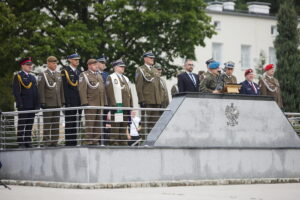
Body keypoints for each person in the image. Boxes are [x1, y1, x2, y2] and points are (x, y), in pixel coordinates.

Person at [12, 57, 39, 148]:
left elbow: (35, 92)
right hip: (23, 105)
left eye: (30, 65)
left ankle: (28, 141)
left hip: (32, 105)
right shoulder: (18, 76)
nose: (30, 66)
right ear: (22, 65)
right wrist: (20, 104)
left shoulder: (32, 77)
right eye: (28, 65)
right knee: (22, 124)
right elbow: (16, 92)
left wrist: (37, 105)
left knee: (29, 124)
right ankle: (20, 142)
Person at [38, 56, 65, 147]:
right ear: (48, 63)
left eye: (56, 63)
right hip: (48, 103)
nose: (55, 65)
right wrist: (42, 101)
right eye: (53, 63)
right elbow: (41, 89)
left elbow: (61, 89)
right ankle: (46, 141)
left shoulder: (58, 74)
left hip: (57, 103)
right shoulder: (43, 74)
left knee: (56, 123)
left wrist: (62, 101)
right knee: (47, 123)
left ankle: (54, 141)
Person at [79, 59, 106, 145]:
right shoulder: (84, 75)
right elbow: (82, 90)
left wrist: (104, 102)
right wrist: (84, 102)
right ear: (89, 65)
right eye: (94, 65)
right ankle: (88, 140)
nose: (96, 66)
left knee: (98, 123)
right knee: (90, 123)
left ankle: (95, 140)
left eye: (96, 65)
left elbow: (102, 89)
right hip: (90, 103)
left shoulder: (99, 75)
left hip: (100, 103)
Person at [106, 59, 133, 146]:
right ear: (115, 67)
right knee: (116, 125)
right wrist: (113, 105)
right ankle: (114, 142)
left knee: (124, 125)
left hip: (125, 106)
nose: (123, 68)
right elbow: (109, 92)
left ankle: (123, 141)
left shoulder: (126, 78)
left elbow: (129, 92)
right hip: (117, 105)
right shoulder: (111, 77)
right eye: (121, 67)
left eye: (123, 67)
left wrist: (131, 105)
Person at [135, 51, 162, 134]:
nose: (152, 59)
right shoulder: (140, 69)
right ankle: (144, 142)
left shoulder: (155, 70)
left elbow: (159, 86)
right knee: (145, 123)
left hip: (156, 100)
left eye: (153, 58)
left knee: (154, 124)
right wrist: (141, 100)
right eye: (150, 58)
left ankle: (151, 142)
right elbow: (138, 86)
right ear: (145, 58)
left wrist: (160, 99)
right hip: (147, 101)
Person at [61, 53, 82, 146]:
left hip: (78, 101)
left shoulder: (79, 72)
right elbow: (64, 88)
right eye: (75, 59)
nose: (77, 61)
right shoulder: (65, 71)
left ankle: (75, 141)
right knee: (69, 122)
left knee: (76, 122)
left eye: (78, 59)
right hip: (70, 101)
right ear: (69, 60)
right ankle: (69, 142)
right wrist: (66, 102)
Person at [97, 54, 110, 145]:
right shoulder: (94, 73)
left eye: (104, 63)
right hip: (97, 102)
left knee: (105, 122)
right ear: (97, 63)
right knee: (97, 122)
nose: (103, 64)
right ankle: (97, 140)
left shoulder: (107, 75)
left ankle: (103, 141)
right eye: (101, 63)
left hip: (105, 103)